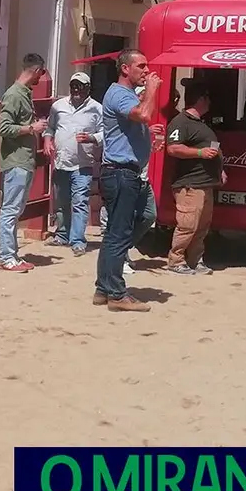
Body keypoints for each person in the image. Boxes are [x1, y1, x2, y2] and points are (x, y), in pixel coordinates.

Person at [94, 49, 163, 312]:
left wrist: (147, 134)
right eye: (142, 66)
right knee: (118, 233)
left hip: (128, 172)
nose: (147, 71)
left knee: (143, 216)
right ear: (125, 69)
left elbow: (137, 121)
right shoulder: (119, 94)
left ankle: (104, 287)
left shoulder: (124, 95)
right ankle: (115, 293)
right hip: (121, 173)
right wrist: (153, 90)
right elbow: (143, 114)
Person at [163, 79, 226, 275]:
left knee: (201, 227)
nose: (210, 102)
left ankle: (195, 260)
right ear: (200, 99)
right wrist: (199, 153)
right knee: (187, 225)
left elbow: (213, 150)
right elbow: (173, 148)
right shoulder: (181, 122)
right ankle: (176, 260)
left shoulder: (201, 124)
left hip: (206, 183)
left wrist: (219, 170)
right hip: (189, 184)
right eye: (207, 97)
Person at [0, 54, 48, 272]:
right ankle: (6, 257)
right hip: (15, 161)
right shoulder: (15, 95)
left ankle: (12, 255)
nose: (41, 78)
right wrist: (31, 128)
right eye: (41, 73)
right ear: (36, 70)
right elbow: (3, 128)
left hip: (23, 160)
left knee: (15, 210)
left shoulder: (23, 94)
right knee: (10, 210)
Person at [43, 72, 103, 257]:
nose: (76, 90)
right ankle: (62, 234)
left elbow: (105, 132)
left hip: (82, 164)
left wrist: (91, 138)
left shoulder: (97, 108)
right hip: (61, 162)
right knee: (61, 201)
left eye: (80, 86)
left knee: (79, 202)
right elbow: (50, 127)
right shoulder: (58, 106)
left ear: (88, 88)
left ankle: (77, 241)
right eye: (73, 86)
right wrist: (47, 140)